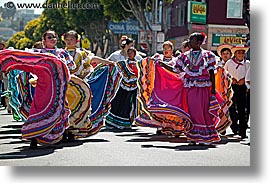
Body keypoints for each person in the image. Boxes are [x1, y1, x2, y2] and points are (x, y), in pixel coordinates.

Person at [174, 32, 221, 145]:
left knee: (204, 111)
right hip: (190, 88)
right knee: (192, 111)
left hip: (204, 87)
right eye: (189, 40)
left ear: (199, 43)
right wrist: (160, 65)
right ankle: (193, 136)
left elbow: (211, 73)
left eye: (192, 40)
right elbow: (176, 69)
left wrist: (213, 89)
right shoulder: (184, 56)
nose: (189, 42)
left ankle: (205, 137)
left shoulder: (208, 55)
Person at [105, 47, 138, 129]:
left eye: (132, 52)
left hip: (134, 88)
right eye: (129, 52)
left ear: (135, 54)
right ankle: (113, 121)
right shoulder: (122, 64)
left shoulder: (139, 64)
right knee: (118, 102)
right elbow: (115, 68)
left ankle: (126, 122)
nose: (130, 54)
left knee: (129, 105)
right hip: (122, 87)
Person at [224, 45, 250, 139]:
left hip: (243, 87)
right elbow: (224, 73)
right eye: (238, 52)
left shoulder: (247, 63)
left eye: (242, 53)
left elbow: (250, 75)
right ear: (235, 54)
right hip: (232, 86)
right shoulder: (229, 63)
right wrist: (231, 79)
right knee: (231, 107)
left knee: (242, 109)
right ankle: (234, 126)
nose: (240, 54)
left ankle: (243, 130)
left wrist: (244, 80)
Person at [214, 44, 234, 134]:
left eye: (227, 53)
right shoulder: (217, 65)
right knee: (221, 107)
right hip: (221, 90)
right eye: (224, 53)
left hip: (233, 88)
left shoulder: (233, 64)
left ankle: (235, 127)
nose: (225, 55)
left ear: (230, 54)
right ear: (221, 55)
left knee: (233, 108)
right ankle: (222, 126)